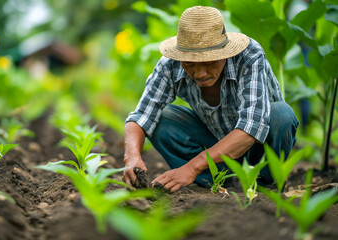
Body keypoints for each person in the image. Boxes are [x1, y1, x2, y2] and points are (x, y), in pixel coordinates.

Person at [122, 6, 299, 192]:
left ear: (225, 53)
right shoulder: (170, 64)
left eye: (208, 62)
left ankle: (264, 184)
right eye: (189, 64)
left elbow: (251, 128)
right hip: (213, 145)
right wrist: (132, 157)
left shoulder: (249, 57)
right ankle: (213, 181)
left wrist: (191, 167)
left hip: (258, 149)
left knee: (281, 115)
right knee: (162, 119)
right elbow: (141, 116)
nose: (199, 73)